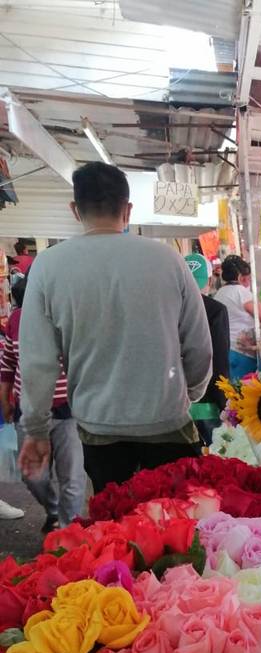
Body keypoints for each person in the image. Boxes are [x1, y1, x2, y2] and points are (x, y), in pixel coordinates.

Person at [17, 162, 212, 494]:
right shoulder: (167, 260)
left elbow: (37, 361)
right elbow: (198, 346)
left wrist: (36, 429)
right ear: (128, 208)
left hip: (98, 428)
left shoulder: (48, 266)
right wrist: (189, 392)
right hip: (166, 420)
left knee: (117, 529)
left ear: (75, 210)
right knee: (179, 528)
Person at [0, 279, 86, 530]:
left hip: (67, 410)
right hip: (27, 410)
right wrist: (5, 398)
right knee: (33, 476)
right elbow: (7, 363)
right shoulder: (16, 320)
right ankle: (54, 510)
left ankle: (69, 529)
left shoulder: (66, 316)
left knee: (72, 476)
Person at [183, 253, 230, 445]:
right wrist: (224, 403)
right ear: (209, 280)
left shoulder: (169, 307)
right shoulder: (215, 309)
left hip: (172, 407)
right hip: (207, 402)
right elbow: (219, 359)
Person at [215, 255, 261, 380]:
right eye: (248, 278)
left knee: (231, 392)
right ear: (240, 277)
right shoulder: (240, 292)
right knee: (242, 393)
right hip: (241, 353)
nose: (248, 282)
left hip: (227, 350)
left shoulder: (220, 292)